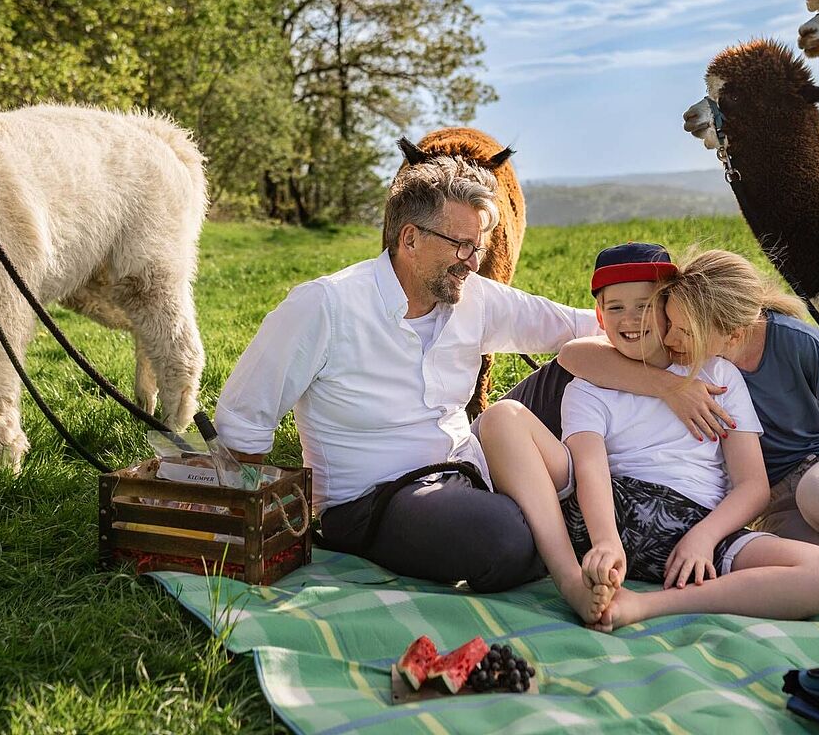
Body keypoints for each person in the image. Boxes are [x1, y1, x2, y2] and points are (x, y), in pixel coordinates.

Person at [212, 155, 605, 609]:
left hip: (469, 461)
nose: (473, 263)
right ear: (410, 238)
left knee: (577, 367)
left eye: (478, 247)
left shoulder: (472, 297)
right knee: (504, 539)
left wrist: (680, 372)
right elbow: (244, 419)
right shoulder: (326, 305)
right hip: (377, 501)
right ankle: (571, 522)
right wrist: (238, 523)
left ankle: (593, 510)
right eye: (461, 246)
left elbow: (583, 327)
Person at [476, 242, 819, 630]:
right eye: (616, 307)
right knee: (502, 416)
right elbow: (589, 466)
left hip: (698, 525)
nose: (630, 319)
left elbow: (752, 485)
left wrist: (705, 536)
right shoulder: (590, 386)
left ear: (669, 310)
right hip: (603, 513)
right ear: (600, 318)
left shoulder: (716, 374)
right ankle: (571, 580)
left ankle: (646, 606)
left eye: (645, 305)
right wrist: (606, 541)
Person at [561, 248, 819, 601]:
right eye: (671, 323)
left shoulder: (797, 344)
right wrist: (668, 387)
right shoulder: (695, 356)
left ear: (730, 333)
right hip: (782, 493)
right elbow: (575, 356)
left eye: (682, 330)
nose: (671, 338)